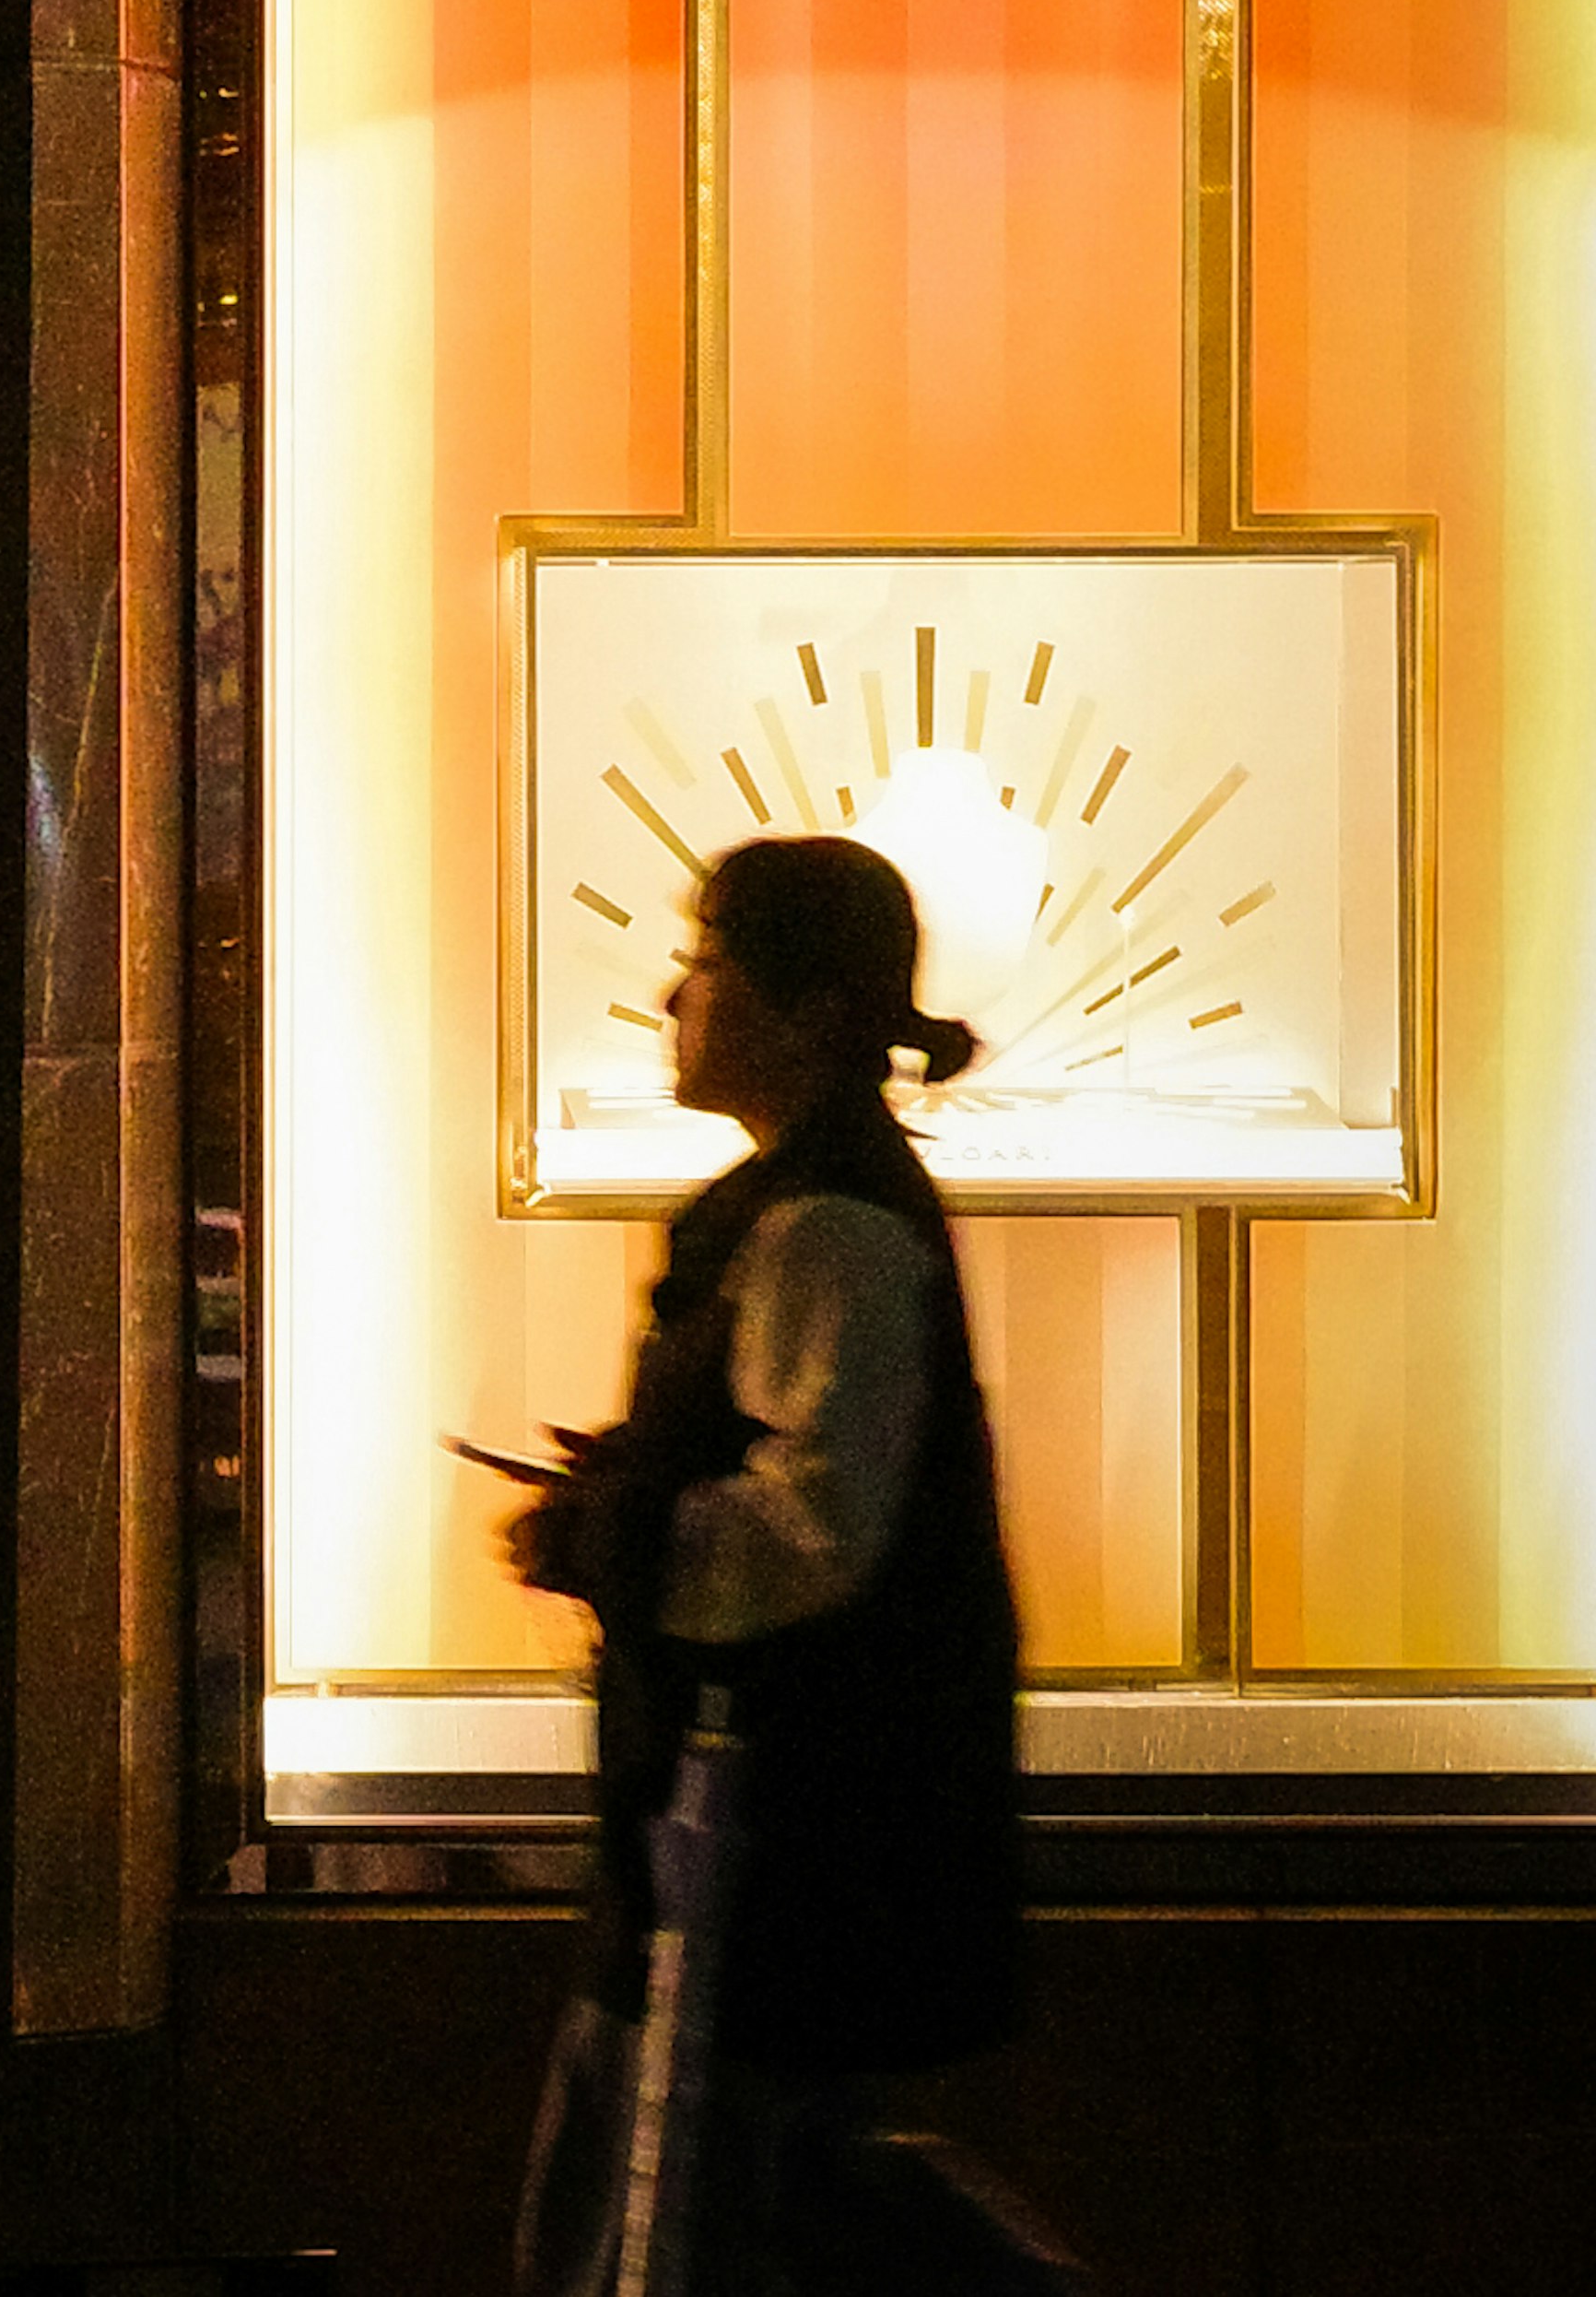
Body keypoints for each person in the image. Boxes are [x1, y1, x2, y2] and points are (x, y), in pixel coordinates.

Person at [504, 833, 1028, 2297]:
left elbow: (812, 1531)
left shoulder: (824, 1224)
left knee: (673, 2223)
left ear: (803, 1010)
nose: (675, 991)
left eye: (709, 959)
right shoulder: (820, 1206)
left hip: (758, 1859)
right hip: (765, 1867)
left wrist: (605, 1533)